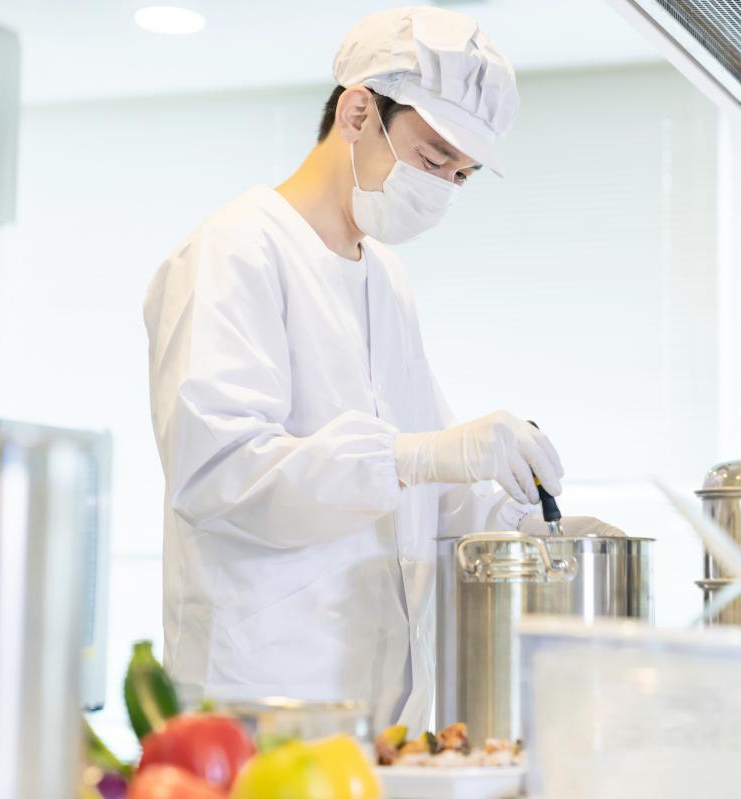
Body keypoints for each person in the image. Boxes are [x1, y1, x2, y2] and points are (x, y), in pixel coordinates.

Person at [143, 6, 623, 730]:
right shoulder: (234, 250)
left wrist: (531, 529)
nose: (442, 188)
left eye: (460, 176)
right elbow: (219, 475)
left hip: (381, 713)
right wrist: (419, 454)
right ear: (358, 112)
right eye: (433, 159)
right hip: (261, 705)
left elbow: (422, 488)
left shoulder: (384, 277)